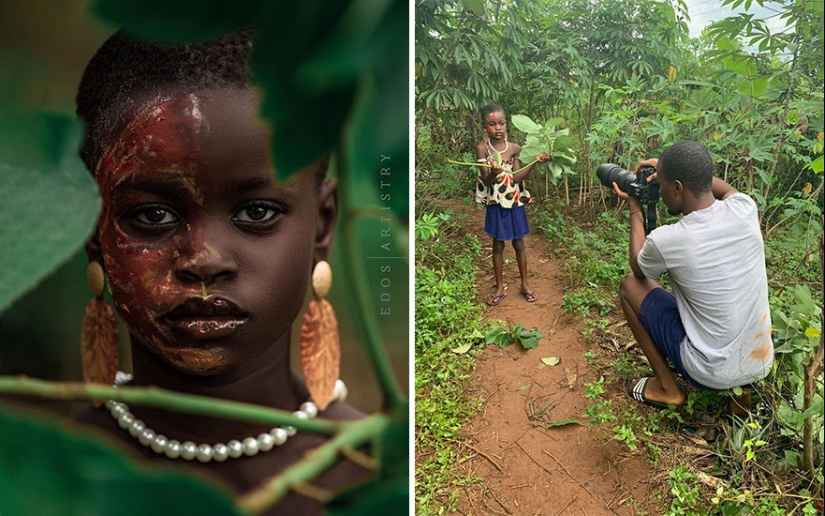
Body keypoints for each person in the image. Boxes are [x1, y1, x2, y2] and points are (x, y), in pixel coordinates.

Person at [72, 31, 369, 515]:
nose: (204, 259)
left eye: (256, 213)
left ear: (323, 224)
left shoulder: (375, 481)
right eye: (151, 216)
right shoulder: (44, 477)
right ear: (92, 228)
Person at [614, 140, 773, 410]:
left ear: (677, 188)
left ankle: (667, 389)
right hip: (760, 362)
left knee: (629, 286)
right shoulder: (745, 208)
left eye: (662, 184)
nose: (660, 191)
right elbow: (725, 189)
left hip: (707, 371)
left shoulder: (671, 239)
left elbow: (637, 268)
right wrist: (672, 170)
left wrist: (634, 207)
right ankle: (741, 394)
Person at [474, 104, 549, 306]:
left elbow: (516, 178)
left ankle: (525, 284)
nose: (498, 127)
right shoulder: (483, 149)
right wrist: (493, 172)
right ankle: (499, 287)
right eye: (492, 124)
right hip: (496, 204)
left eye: (501, 123)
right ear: (485, 126)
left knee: (519, 243)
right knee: (498, 245)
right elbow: (486, 181)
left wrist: (533, 161)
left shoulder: (515, 148)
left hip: (514, 203)